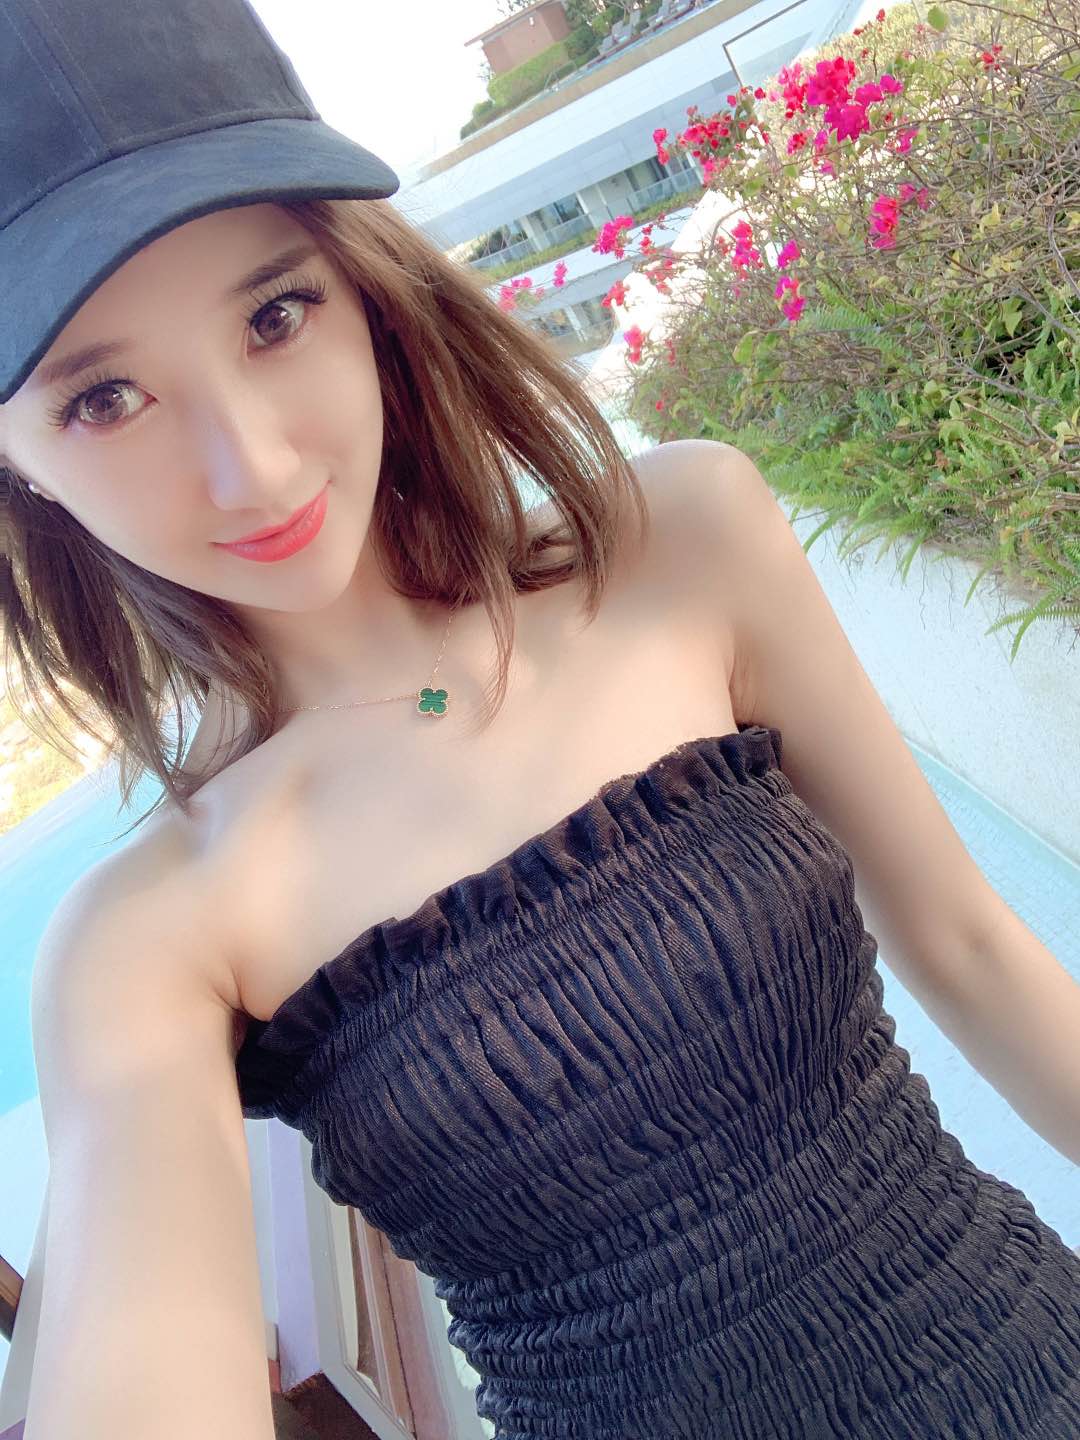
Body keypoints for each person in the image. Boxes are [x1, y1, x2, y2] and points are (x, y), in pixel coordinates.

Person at [3, 2, 1079, 1438]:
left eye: (274, 315)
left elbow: (971, 948)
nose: (250, 467)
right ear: (17, 463)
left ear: (362, 290)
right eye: (103, 398)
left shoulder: (684, 539)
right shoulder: (145, 941)